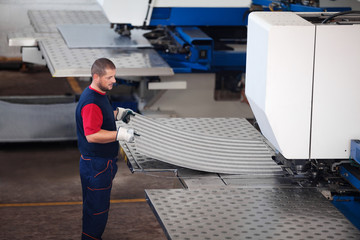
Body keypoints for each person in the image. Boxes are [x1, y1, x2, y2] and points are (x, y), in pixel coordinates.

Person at [75, 58, 135, 240]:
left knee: (92, 207)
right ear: (96, 76)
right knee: (97, 212)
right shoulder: (91, 102)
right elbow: (92, 135)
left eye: (114, 76)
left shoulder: (98, 94)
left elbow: (101, 117)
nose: (114, 81)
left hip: (95, 163)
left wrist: (117, 114)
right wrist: (120, 135)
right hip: (97, 165)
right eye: (109, 77)